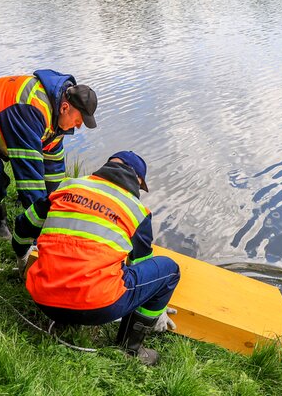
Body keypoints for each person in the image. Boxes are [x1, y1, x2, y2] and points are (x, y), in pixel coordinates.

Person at [12, 151, 180, 366]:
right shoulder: (136, 210)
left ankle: (65, 320)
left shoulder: (67, 187)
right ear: (137, 179)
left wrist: (21, 258)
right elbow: (142, 265)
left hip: (42, 298)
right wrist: (157, 305)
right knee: (169, 269)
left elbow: (23, 225)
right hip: (96, 308)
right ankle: (131, 348)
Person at [0, 70, 97, 238]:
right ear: (65, 108)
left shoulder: (58, 118)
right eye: (78, 121)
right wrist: (41, 229)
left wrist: (54, 207)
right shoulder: (31, 109)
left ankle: (23, 212)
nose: (78, 126)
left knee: (37, 190)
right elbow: (29, 178)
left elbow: (54, 168)